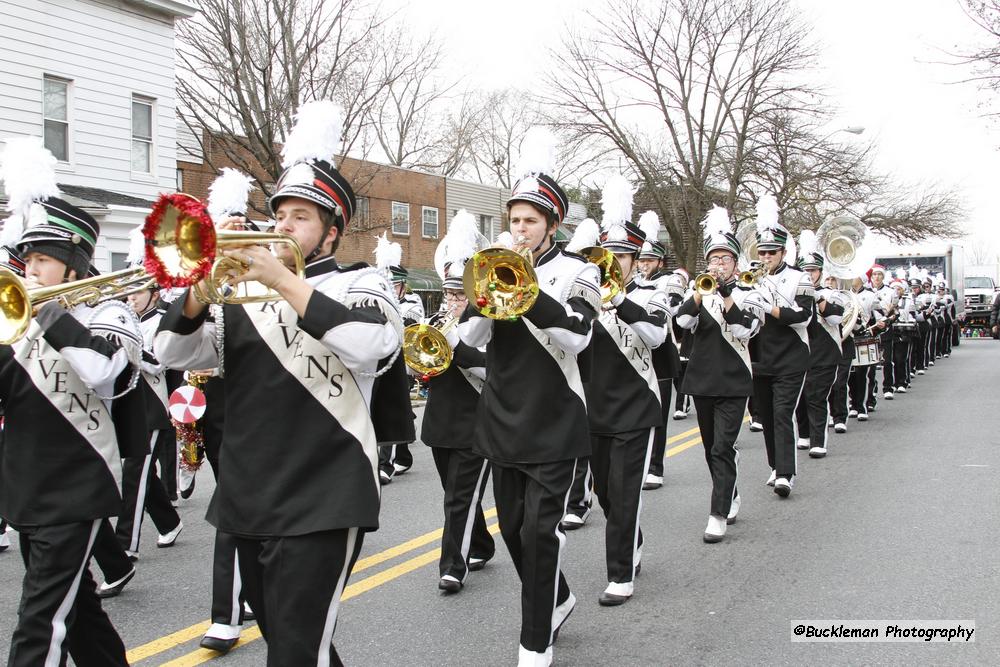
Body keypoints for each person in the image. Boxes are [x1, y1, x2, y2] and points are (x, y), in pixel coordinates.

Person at [155, 101, 400, 666]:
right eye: (280, 213)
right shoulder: (236, 292)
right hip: (249, 492)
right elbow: (168, 351)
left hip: (324, 492)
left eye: (301, 217)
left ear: (332, 232)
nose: (282, 226)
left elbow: (373, 346)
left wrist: (282, 278)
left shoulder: (362, 284)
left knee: (293, 652)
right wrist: (197, 286)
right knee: (296, 644)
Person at [458, 128, 601, 667]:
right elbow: (468, 342)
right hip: (501, 418)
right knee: (514, 531)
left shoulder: (577, 272)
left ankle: (533, 643)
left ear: (551, 226)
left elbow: (578, 336)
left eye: (530, 221)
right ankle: (558, 596)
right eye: (514, 220)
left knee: (541, 534)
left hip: (555, 418)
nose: (519, 229)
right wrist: (480, 295)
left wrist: (529, 290)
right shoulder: (491, 265)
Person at [1, 136, 141, 666]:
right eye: (26, 260)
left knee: (40, 623)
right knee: (78, 614)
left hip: (76, 488)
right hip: (26, 489)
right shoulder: (17, 324)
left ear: (75, 268)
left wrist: (44, 314)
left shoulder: (108, 315)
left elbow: (103, 369)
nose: (28, 271)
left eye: (41, 261)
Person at [567, 178, 668, 606]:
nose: (613, 264)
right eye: (606, 257)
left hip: (635, 409)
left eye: (622, 257)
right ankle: (634, 540)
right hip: (593, 411)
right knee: (607, 495)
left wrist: (618, 299)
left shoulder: (654, 292)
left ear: (634, 259)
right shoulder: (581, 296)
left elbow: (658, 335)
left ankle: (620, 575)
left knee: (625, 495)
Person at [675, 206, 764, 542]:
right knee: (712, 447)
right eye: (714, 259)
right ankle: (732, 493)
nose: (719, 264)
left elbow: (746, 330)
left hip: (734, 380)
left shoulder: (750, 293)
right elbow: (682, 324)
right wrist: (700, 292)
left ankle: (717, 513)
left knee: (722, 447)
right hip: (702, 379)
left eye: (725, 259)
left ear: (736, 264)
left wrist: (726, 293)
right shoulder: (700, 292)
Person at [419, 210, 495, 593]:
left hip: (476, 426)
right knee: (457, 494)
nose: (453, 301)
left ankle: (453, 566)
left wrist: (457, 347)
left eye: (459, 295)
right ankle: (481, 543)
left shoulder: (489, 324)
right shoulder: (436, 321)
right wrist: (421, 368)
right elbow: (424, 371)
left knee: (459, 499)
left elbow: (492, 370)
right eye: (449, 294)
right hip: (440, 424)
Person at [747, 195, 814, 498]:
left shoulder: (799, 278)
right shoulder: (752, 278)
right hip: (761, 355)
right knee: (766, 415)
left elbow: (804, 317)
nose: (765, 257)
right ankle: (775, 465)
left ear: (783, 252)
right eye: (761, 252)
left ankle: (786, 473)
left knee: (782, 412)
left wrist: (770, 307)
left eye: (771, 252)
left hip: (791, 356)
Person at [634, 211, 683, 491]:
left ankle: (656, 467)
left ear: (660, 262)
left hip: (660, 354)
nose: (643, 265)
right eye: (641, 260)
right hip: (633, 352)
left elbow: (674, 305)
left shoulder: (669, 280)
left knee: (659, 414)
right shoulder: (631, 281)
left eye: (649, 260)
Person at [793, 232, 845, 459]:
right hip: (799, 353)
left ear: (820, 273)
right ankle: (803, 434)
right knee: (799, 398)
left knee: (816, 396)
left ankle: (818, 441)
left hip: (825, 354)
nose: (808, 274)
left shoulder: (831, 294)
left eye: (812, 271)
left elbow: (835, 318)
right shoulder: (794, 294)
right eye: (805, 271)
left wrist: (816, 297)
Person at [377, 244, 422, 483]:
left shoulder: (412, 303)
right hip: (380, 359)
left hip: (402, 363)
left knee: (391, 407)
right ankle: (403, 456)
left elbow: (405, 325)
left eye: (393, 285)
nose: (390, 289)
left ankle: (386, 464)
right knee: (396, 410)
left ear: (403, 285)